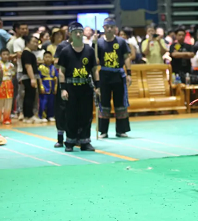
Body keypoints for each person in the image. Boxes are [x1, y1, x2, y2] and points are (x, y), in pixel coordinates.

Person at [58, 22, 100, 152]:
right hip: (71, 88)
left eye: (80, 32)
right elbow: (61, 72)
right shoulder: (65, 51)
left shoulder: (89, 50)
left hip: (86, 87)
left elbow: (94, 70)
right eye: (75, 32)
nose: (78, 34)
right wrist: (63, 88)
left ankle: (85, 141)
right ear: (70, 34)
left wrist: (97, 86)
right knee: (71, 115)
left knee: (86, 115)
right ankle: (70, 142)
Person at [95, 18, 132, 138]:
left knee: (120, 103)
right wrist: (93, 44)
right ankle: (103, 131)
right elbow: (94, 60)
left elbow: (126, 57)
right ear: (104, 28)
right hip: (104, 75)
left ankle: (121, 130)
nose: (109, 28)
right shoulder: (98, 42)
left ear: (115, 28)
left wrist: (129, 73)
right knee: (104, 103)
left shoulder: (121, 42)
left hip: (118, 75)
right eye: (107, 26)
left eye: (112, 26)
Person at [20, 35, 42, 124]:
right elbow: (28, 66)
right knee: (29, 97)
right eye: (34, 42)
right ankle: (28, 116)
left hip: (31, 77)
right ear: (28, 42)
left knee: (31, 96)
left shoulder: (30, 53)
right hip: (28, 78)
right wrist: (32, 79)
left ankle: (30, 115)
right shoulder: (26, 53)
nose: (36, 44)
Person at [38, 51, 57, 122]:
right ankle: (42, 116)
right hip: (44, 85)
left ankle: (50, 115)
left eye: (49, 57)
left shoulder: (53, 68)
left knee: (51, 103)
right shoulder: (41, 67)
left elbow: (56, 78)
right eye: (46, 57)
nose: (48, 59)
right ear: (43, 58)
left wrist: (55, 87)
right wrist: (41, 87)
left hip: (51, 87)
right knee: (43, 102)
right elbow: (39, 78)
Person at [0, 48, 15, 124]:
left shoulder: (11, 65)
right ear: (1, 55)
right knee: (0, 102)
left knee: (8, 102)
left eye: (7, 54)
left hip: (9, 84)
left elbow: (13, 75)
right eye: (4, 54)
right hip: (1, 83)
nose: (5, 56)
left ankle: (6, 118)